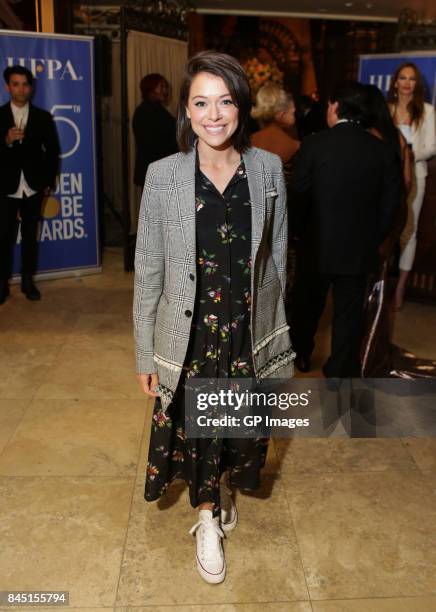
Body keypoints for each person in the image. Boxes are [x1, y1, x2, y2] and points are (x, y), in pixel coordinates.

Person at [133, 51, 294, 584]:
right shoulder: (163, 176)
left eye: (225, 101)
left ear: (241, 106)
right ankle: (206, 518)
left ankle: (219, 487)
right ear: (186, 109)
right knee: (195, 428)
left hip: (247, 329)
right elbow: (149, 273)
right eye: (201, 102)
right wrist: (143, 350)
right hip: (190, 332)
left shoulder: (269, 169)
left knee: (236, 425)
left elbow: (278, 258)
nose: (214, 114)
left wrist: (276, 334)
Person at [290, 81, 402, 377]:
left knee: (307, 305)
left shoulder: (314, 144)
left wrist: (297, 234)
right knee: (349, 314)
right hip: (358, 248)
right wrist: (372, 238)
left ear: (336, 106)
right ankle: (339, 369)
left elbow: (298, 195)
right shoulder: (382, 151)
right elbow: (391, 205)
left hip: (316, 244)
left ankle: (301, 354)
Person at [0, 65, 59, 304]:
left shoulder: (43, 117)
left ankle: (27, 281)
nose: (21, 89)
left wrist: (47, 182)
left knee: (29, 237)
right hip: (5, 187)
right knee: (3, 237)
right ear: (7, 87)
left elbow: (53, 152)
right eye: (15, 84)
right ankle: (2, 283)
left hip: (33, 187)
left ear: (31, 88)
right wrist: (5, 141)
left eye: (25, 84)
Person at [386, 62, 436, 310]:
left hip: (415, 175)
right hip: (386, 177)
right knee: (384, 228)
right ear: (395, 82)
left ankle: (401, 287)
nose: (406, 83)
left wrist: (407, 154)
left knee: (410, 231)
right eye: (402, 78)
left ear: (417, 84)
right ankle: (380, 283)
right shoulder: (386, 110)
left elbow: (431, 146)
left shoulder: (427, 111)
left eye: (412, 79)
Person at [132, 73, 178, 189]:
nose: (165, 91)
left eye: (165, 87)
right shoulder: (143, 112)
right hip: (155, 174)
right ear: (150, 89)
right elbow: (149, 146)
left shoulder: (159, 109)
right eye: (161, 87)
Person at [250, 82, 300, 164]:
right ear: (281, 115)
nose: (295, 117)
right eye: (292, 113)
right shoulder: (293, 146)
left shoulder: (248, 142)